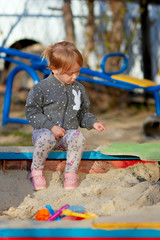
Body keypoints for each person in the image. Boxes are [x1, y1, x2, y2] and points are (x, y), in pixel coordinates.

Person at [25, 41, 107, 191]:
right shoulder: (41, 88)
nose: (74, 76)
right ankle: (36, 172)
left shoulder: (79, 89)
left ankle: (70, 174)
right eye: (70, 73)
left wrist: (93, 122)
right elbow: (32, 113)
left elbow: (82, 114)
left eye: (78, 71)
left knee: (78, 137)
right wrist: (51, 127)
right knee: (46, 137)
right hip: (44, 133)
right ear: (54, 69)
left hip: (66, 136)